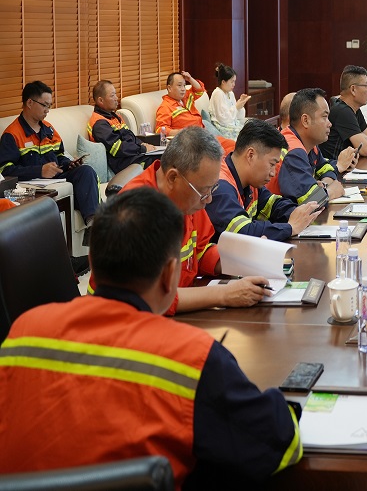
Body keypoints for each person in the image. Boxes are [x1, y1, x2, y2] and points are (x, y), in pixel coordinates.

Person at [0, 188, 302, 484]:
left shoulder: (23, 331)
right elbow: (280, 442)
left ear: (92, 263)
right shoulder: (191, 358)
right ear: (169, 274)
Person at [114, 126, 270, 314]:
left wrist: (242, 259)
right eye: (204, 191)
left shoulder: (188, 199)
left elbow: (201, 250)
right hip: (127, 319)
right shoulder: (134, 211)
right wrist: (224, 294)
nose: (209, 199)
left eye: (212, 189)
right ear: (173, 177)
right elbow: (150, 298)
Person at [206, 119, 321, 243]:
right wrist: (290, 228)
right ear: (251, 155)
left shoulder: (251, 181)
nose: (273, 173)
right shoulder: (220, 186)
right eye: (272, 164)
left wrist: (298, 213)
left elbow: (273, 205)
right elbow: (244, 233)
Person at [0, 81, 99, 225]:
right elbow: (5, 171)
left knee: (86, 171)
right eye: (44, 105)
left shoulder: (49, 129)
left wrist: (69, 164)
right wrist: (39, 171)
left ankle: (93, 223)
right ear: (29, 103)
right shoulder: (12, 134)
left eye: (49, 106)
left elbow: (59, 156)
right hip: (32, 185)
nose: (47, 110)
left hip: (56, 178)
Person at [268, 88, 357, 204]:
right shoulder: (294, 150)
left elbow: (327, 169)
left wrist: (323, 185)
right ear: (305, 120)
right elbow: (310, 202)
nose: (330, 124)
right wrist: (331, 192)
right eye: (324, 117)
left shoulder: (309, 145)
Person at [87, 80, 157, 174]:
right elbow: (117, 149)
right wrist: (142, 149)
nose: (116, 98)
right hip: (121, 163)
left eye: (115, 94)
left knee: (167, 155)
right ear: (101, 100)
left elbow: (130, 136)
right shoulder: (99, 124)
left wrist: (142, 144)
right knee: (160, 161)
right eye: (112, 95)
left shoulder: (115, 116)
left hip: (132, 156)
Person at [320, 65, 367, 159]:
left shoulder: (355, 109)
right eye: (366, 86)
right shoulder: (342, 111)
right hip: (333, 166)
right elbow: (365, 149)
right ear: (353, 89)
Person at [156, 71, 206, 137]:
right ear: (169, 88)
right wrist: (181, 132)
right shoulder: (165, 107)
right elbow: (160, 129)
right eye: (179, 85)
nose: (183, 89)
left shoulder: (186, 97)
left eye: (184, 85)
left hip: (202, 133)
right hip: (188, 139)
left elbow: (199, 90)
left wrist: (190, 79)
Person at [208, 63, 249, 140]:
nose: (234, 84)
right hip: (222, 127)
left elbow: (238, 117)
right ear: (223, 82)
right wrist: (236, 107)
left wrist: (241, 104)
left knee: (252, 130)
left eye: (234, 81)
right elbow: (222, 120)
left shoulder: (230, 93)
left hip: (232, 124)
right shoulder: (218, 93)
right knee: (246, 136)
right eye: (232, 82)